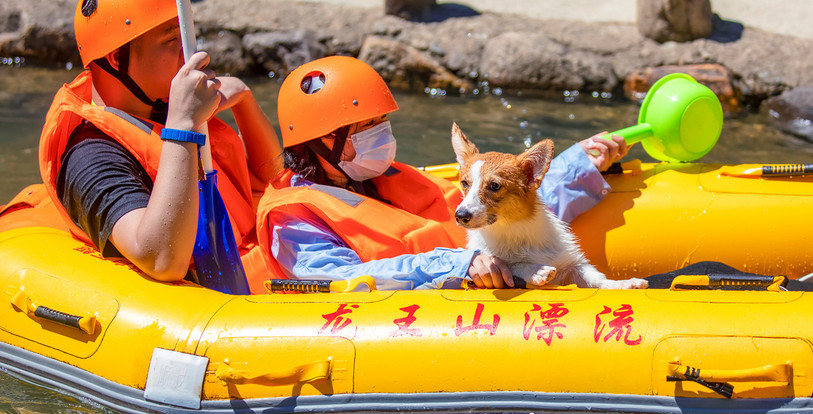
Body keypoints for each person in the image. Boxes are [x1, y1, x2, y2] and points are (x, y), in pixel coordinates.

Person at [244, 55, 628, 292]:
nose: (382, 135)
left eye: (382, 122)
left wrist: (578, 165)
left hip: (477, 285)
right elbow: (330, 279)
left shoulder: (387, 177)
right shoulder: (292, 218)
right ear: (323, 140)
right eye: (367, 126)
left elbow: (502, 204)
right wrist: (454, 265)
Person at [39, 0, 281, 283]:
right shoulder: (90, 156)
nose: (192, 53)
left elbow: (275, 182)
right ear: (115, 59)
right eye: (171, 41)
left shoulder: (160, 104)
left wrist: (245, 100)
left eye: (187, 38)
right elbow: (160, 258)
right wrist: (183, 124)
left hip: (259, 271)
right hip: (212, 309)